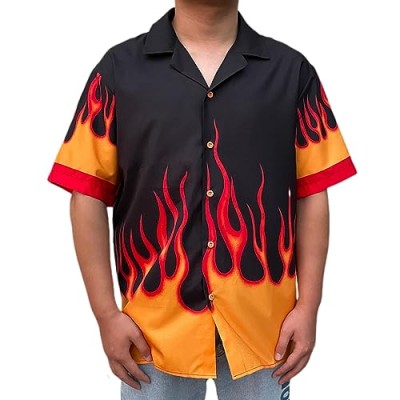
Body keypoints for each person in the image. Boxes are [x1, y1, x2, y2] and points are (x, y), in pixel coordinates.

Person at [47, 0, 357, 399]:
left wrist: (309, 306)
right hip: (151, 330)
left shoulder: (291, 73)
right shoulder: (118, 71)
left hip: (266, 326)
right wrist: (106, 314)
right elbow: (86, 192)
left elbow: (312, 190)